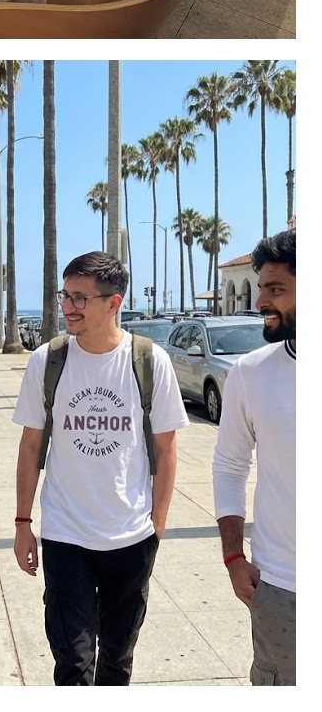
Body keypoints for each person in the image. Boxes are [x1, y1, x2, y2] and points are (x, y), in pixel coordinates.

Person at [11, 252, 187, 685]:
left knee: (117, 659)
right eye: (65, 295)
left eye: (80, 298)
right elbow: (31, 446)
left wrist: (157, 526)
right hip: (65, 534)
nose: (68, 306)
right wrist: (21, 522)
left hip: (130, 535)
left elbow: (165, 450)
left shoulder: (148, 361)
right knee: (71, 662)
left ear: (113, 303)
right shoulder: (47, 361)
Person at [212, 229, 295, 685]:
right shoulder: (250, 373)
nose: (261, 299)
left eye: (275, 289)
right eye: (261, 287)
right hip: (280, 586)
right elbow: (229, 466)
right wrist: (232, 556)